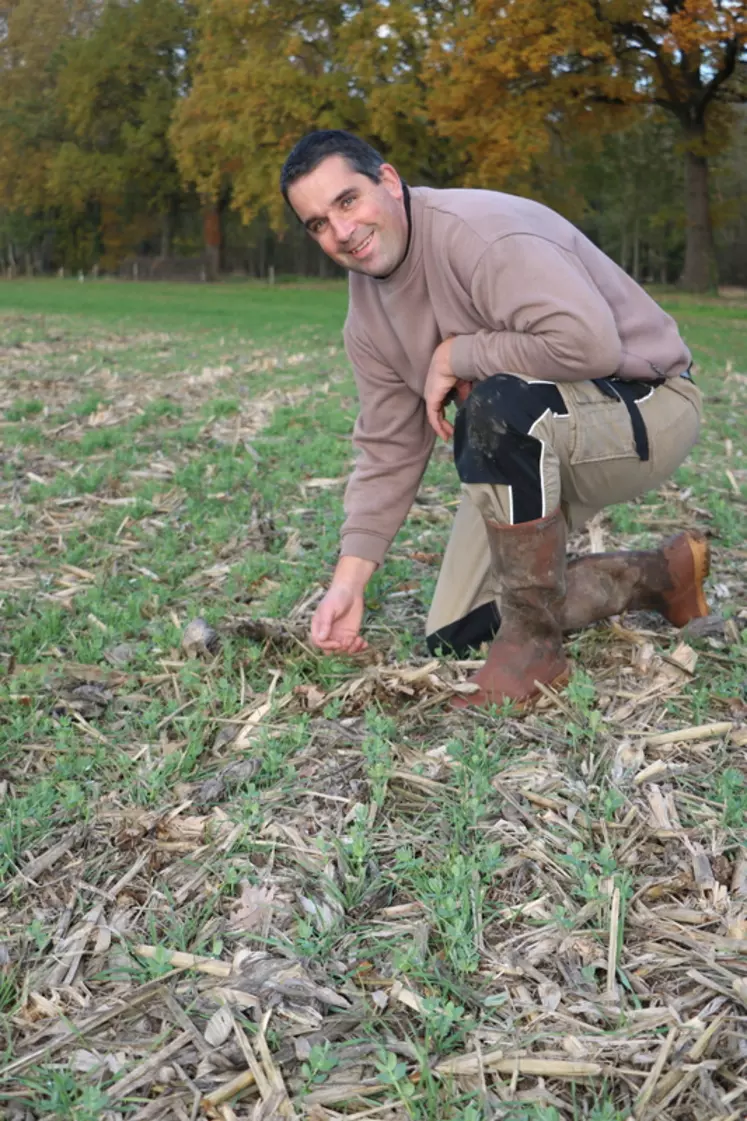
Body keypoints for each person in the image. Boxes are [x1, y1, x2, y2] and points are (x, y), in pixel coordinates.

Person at [279, 130, 710, 708]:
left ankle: (534, 650)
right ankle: (663, 577)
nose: (341, 232)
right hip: (534, 437)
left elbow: (590, 346)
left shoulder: (482, 233)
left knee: (495, 403)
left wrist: (457, 354)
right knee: (461, 628)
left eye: (347, 201)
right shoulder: (367, 320)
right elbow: (388, 450)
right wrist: (348, 583)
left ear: (387, 181)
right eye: (318, 223)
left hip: (646, 405)